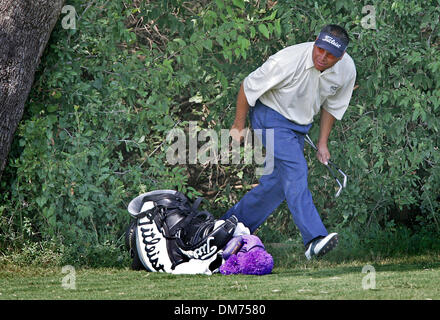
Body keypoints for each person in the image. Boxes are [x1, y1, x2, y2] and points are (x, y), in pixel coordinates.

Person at [221, 24, 357, 259]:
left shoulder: (347, 69)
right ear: (315, 41)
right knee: (296, 170)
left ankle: (226, 230)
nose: (322, 57)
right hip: (270, 115)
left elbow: (332, 106)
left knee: (276, 187)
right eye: (320, 50)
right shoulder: (287, 60)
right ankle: (313, 240)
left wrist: (322, 142)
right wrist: (238, 126)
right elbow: (247, 86)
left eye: (330, 55)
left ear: (341, 55)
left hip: (299, 126)